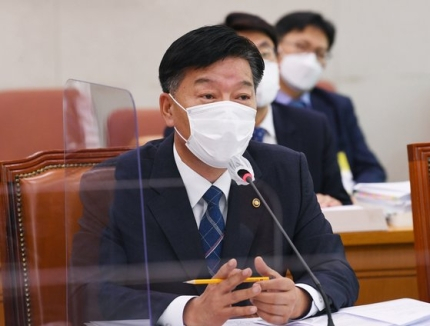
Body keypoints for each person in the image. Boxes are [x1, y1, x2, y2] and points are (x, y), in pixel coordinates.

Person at [97, 25, 358, 325]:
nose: (227, 110)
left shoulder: (285, 172)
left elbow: (335, 269)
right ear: (168, 108)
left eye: (242, 96)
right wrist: (187, 312)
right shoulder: (119, 180)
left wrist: (301, 299)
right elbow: (88, 292)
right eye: (208, 95)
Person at [224, 12, 351, 207]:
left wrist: (330, 203)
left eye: (265, 53)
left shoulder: (314, 126)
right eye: (244, 54)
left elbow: (341, 200)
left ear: (278, 59)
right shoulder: (194, 128)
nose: (257, 63)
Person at [274, 11, 386, 185]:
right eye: (301, 46)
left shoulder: (337, 105)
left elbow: (370, 168)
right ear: (275, 48)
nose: (310, 60)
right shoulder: (258, 104)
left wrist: (353, 196)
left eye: (320, 53)